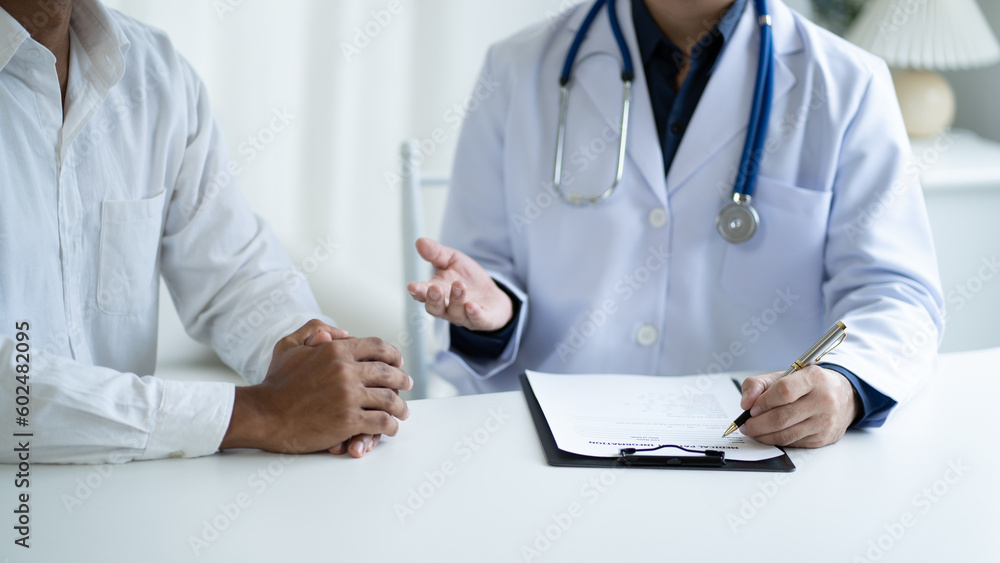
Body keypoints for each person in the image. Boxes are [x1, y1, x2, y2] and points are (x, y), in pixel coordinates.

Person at [408, 0, 945, 448]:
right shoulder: (516, 67)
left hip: (754, 450)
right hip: (552, 444)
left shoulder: (847, 82)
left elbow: (896, 294)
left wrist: (846, 385)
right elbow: (481, 269)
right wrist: (493, 310)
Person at [0, 0, 410, 464]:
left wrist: (308, 362)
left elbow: (232, 276)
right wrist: (258, 413)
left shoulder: (157, 75)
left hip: (130, 495)